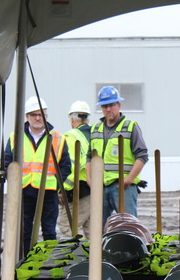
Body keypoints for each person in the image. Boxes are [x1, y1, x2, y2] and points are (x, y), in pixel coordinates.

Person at [4, 96, 71, 255]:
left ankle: (49, 264)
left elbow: (65, 165)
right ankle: (25, 260)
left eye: (41, 114)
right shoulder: (16, 137)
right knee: (25, 231)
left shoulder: (58, 138)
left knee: (49, 231)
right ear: (27, 117)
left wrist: (55, 182)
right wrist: (13, 183)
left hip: (48, 191)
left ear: (46, 116)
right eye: (33, 115)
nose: (37, 118)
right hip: (24, 190)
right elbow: (7, 162)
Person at [87, 86, 148, 226]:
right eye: (105, 106)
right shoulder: (95, 129)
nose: (108, 109)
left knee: (128, 226)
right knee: (98, 228)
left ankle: (129, 248)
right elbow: (90, 156)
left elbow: (142, 156)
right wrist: (90, 179)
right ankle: (102, 249)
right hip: (100, 185)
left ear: (119, 105)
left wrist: (128, 180)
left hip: (123, 186)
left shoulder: (130, 127)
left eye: (112, 105)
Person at [57, 101, 92, 239]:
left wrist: (62, 190)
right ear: (87, 119)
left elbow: (71, 166)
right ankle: (95, 259)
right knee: (92, 229)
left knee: (67, 226)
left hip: (79, 189)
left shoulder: (70, 136)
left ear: (72, 119)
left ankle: (77, 258)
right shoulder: (96, 134)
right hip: (97, 188)